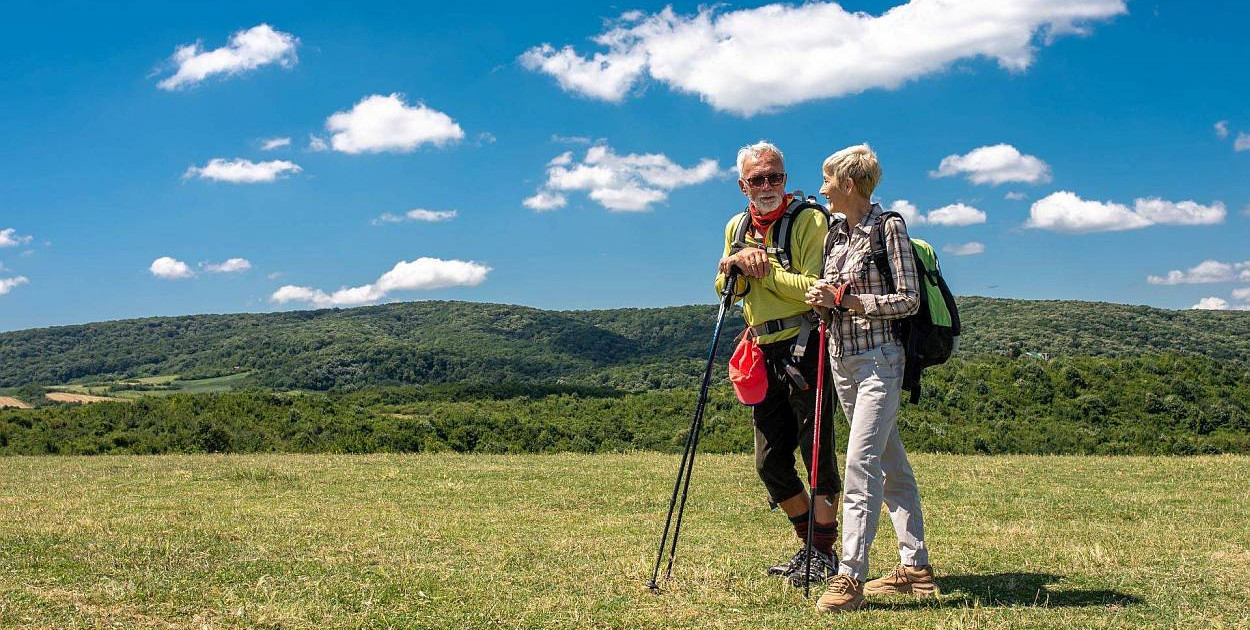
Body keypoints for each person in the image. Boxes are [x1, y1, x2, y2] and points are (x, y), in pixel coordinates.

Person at [805, 144, 939, 612]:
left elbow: (909, 299)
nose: (822, 189)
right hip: (843, 360)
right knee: (888, 460)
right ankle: (916, 569)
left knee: (860, 464)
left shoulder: (889, 228)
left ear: (848, 183)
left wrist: (854, 302)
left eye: (827, 181)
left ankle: (849, 578)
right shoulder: (835, 233)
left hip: (881, 360)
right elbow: (836, 295)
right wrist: (823, 297)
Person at [714, 141, 841, 587]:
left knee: (816, 455)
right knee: (769, 462)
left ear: (785, 179)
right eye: (758, 179)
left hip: (807, 345)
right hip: (763, 348)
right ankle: (814, 545)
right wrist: (734, 265)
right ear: (742, 185)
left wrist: (760, 266)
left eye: (775, 177)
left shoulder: (809, 220)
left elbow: (814, 287)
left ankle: (822, 554)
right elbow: (723, 288)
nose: (767, 186)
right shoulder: (737, 225)